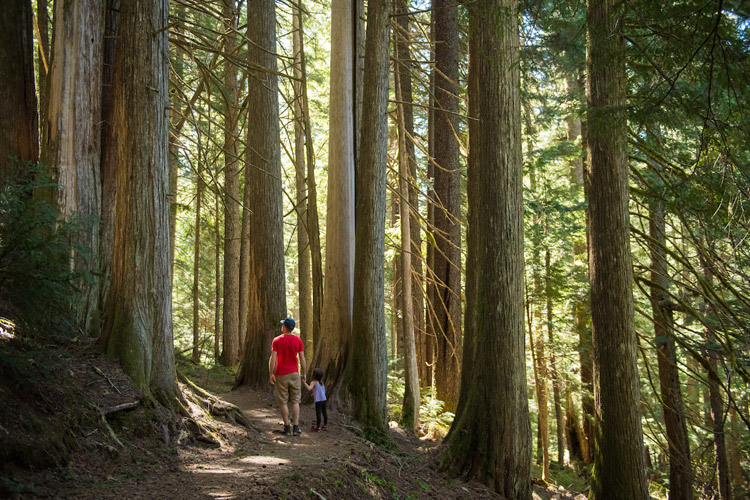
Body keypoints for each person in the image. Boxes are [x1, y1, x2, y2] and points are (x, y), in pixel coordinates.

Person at [269, 317, 306, 436]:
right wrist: (303, 373)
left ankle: (286, 427)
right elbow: (302, 359)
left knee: (283, 402)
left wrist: (271, 373)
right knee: (295, 401)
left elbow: (273, 358)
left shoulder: (277, 340)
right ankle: (296, 428)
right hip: (295, 373)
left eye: (282, 325)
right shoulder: (298, 340)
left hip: (281, 374)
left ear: (284, 327)